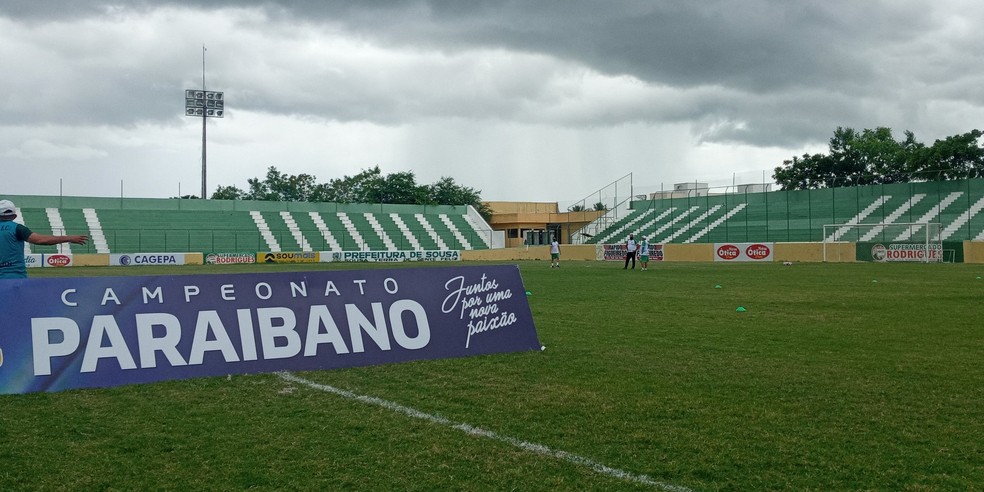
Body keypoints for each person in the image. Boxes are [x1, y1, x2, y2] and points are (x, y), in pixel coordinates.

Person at [0, 200, 89, 279]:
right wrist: (69, 238)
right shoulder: (18, 228)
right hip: (15, 277)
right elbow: (41, 240)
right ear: (14, 216)